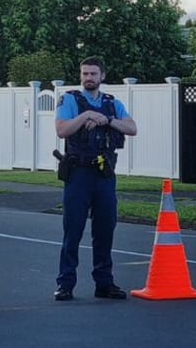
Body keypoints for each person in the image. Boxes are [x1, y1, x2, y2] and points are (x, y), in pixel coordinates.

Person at [54, 56, 137, 302]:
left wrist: (107, 120)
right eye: (85, 74)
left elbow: (132, 128)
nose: (88, 78)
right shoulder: (70, 100)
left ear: (102, 76)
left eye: (93, 74)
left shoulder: (112, 104)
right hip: (79, 173)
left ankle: (104, 282)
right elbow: (62, 129)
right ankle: (65, 283)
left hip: (104, 174)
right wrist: (87, 115)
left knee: (105, 229)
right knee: (73, 229)